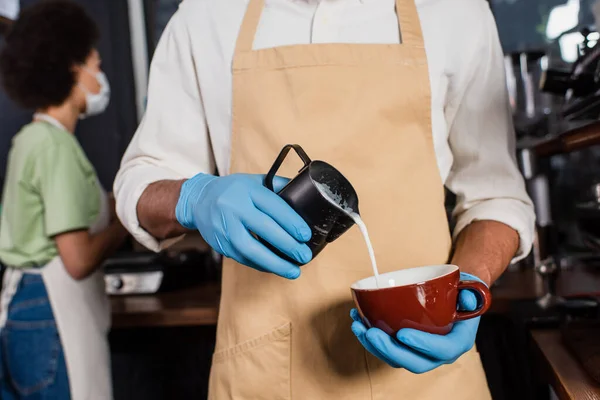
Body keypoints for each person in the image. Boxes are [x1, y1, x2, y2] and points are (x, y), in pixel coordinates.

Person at [114, 0, 536, 398]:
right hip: (267, 374)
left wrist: (468, 287)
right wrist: (195, 198)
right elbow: (139, 187)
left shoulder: (455, 11)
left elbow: (494, 197)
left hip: (431, 375)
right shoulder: (206, 14)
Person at [0, 2, 128, 399]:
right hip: (49, 310)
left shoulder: (36, 139)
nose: (100, 76)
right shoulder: (53, 146)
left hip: (27, 308)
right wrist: (128, 217)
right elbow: (77, 259)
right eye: (96, 64)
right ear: (73, 69)